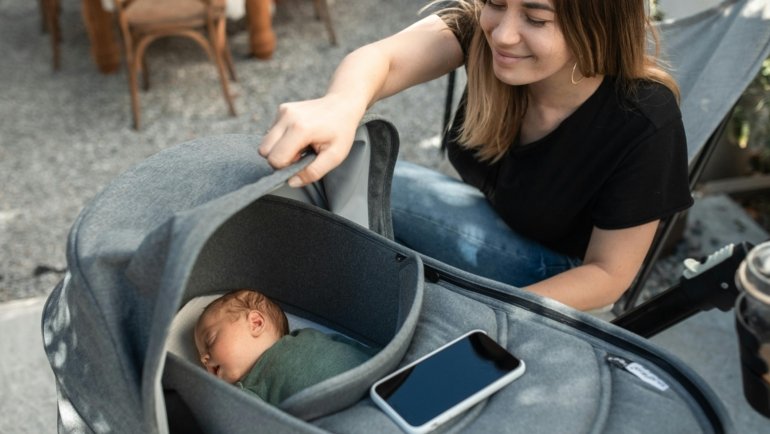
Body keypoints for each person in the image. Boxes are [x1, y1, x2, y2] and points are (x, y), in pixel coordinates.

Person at [257, 0, 693, 311]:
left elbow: (608, 277)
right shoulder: (483, 35)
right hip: (492, 219)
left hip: (561, 274)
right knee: (338, 168)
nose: (502, 33)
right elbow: (383, 60)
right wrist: (339, 105)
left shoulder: (644, 120)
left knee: (366, 180)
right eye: (496, 3)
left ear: (596, 23)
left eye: (537, 18)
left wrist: (484, 315)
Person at [194, 289, 375, 405]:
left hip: (378, 380)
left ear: (256, 323)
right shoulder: (247, 392)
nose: (203, 358)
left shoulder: (307, 335)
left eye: (209, 341)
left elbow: (349, 346)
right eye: (201, 353)